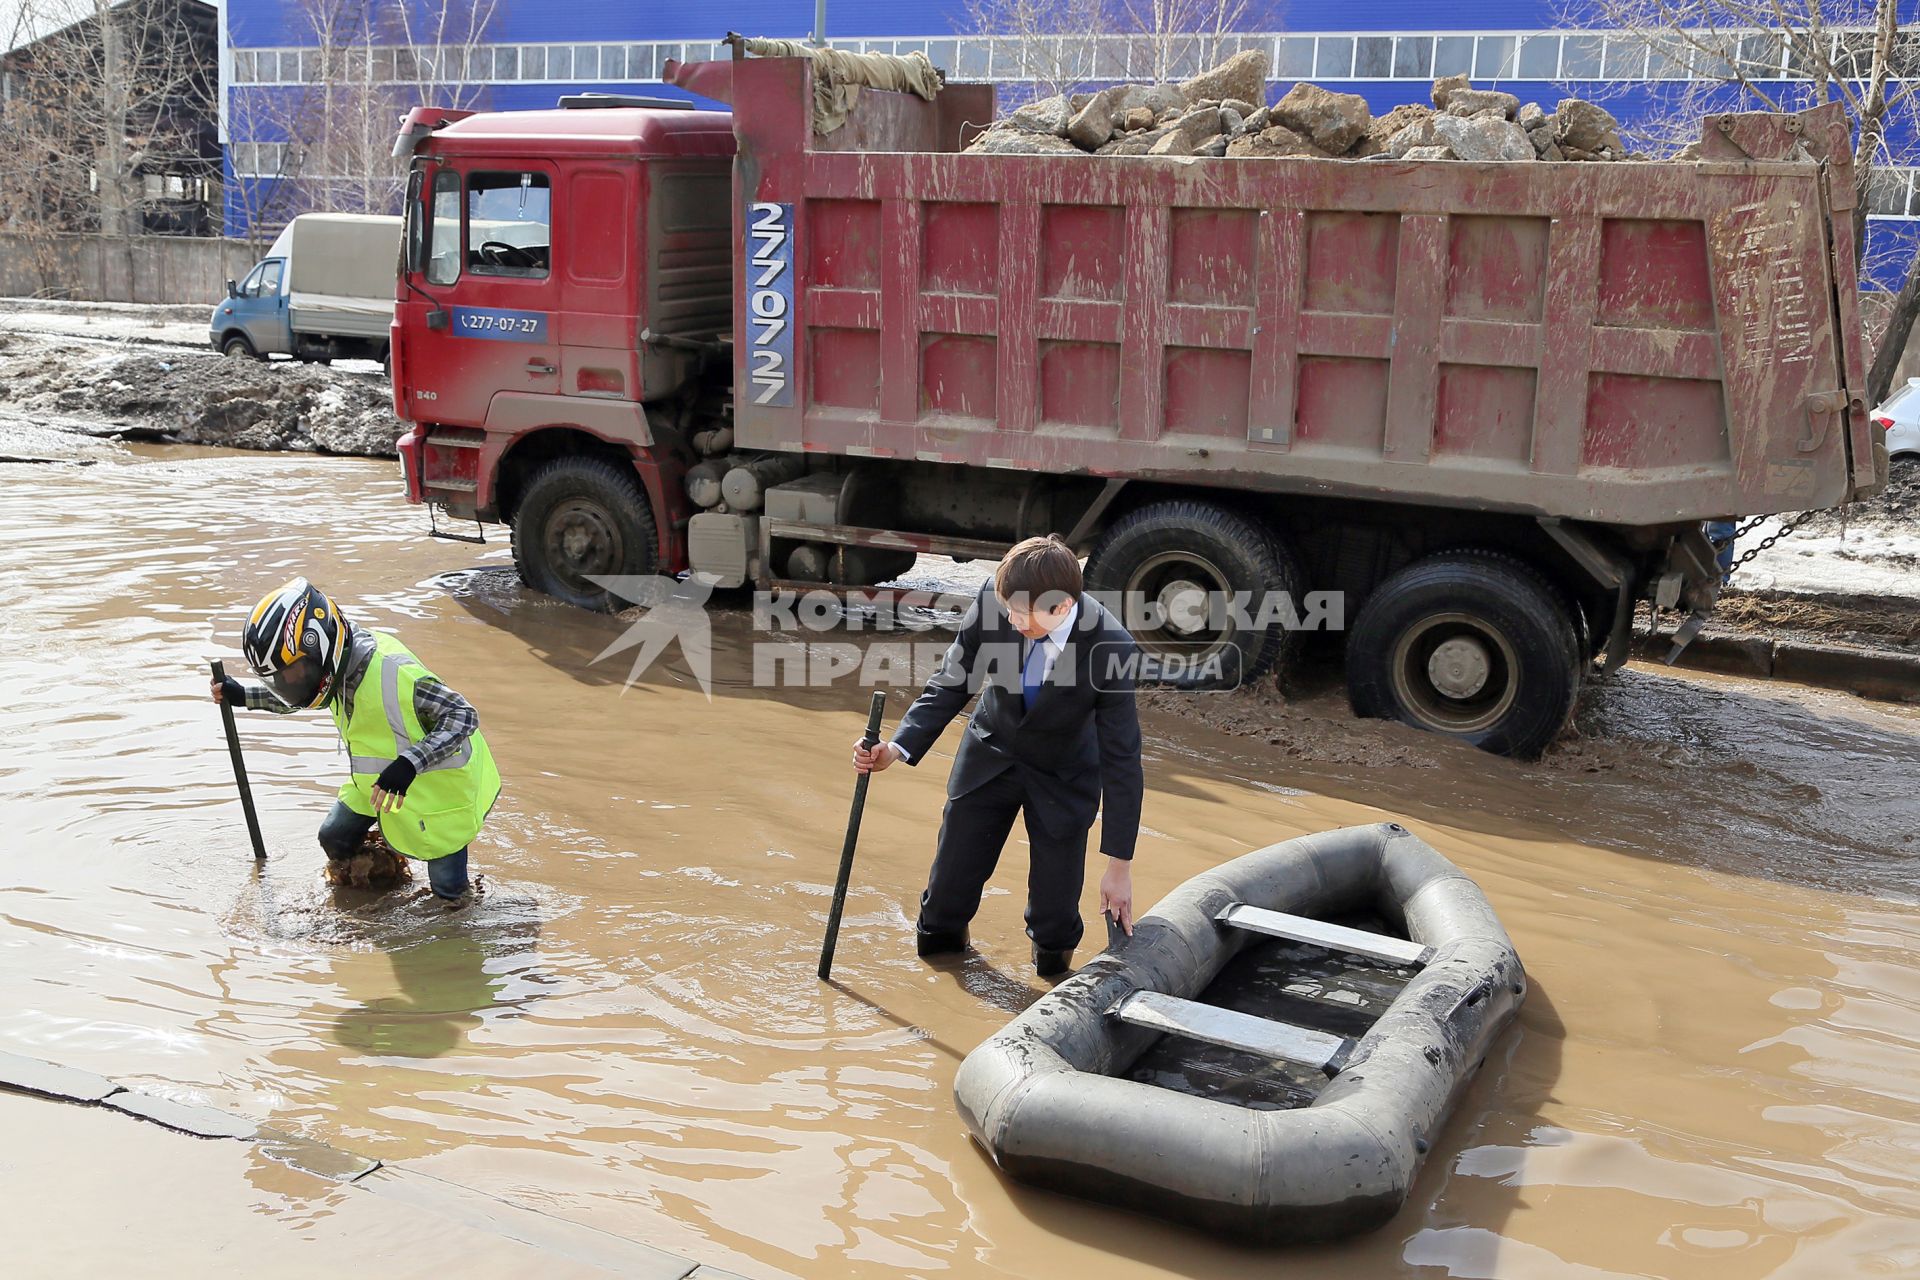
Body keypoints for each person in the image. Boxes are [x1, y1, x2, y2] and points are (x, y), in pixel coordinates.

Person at [853, 535, 1144, 978]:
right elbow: (953, 679)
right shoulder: (998, 598)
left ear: (1062, 608)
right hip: (990, 754)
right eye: (1007, 608)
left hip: (1062, 775)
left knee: (1054, 924)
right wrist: (896, 746)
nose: (1010, 619)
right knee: (943, 903)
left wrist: (1119, 866)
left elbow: (1123, 758)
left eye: (1021, 616)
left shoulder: (1112, 648)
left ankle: (1048, 982)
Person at [210, 578, 501, 904]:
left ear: (320, 647)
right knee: (334, 838)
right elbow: (304, 697)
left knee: (449, 894)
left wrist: (409, 764)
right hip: (375, 786)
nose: (287, 685)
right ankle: (383, 875)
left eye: (291, 675)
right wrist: (245, 696)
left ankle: (461, 926)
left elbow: (462, 715)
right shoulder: (331, 673)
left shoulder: (394, 672)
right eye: (279, 680)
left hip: (440, 797)